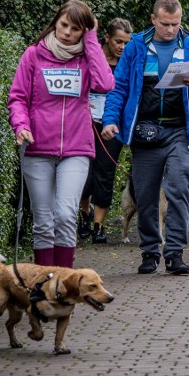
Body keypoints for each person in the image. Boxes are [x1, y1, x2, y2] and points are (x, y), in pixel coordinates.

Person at [101, 0, 189, 276]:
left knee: (180, 189)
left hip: (180, 131)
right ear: (153, 19)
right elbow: (118, 88)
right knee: (145, 195)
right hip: (145, 131)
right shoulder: (135, 48)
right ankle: (150, 252)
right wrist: (109, 120)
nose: (170, 29)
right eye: (165, 24)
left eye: (176, 24)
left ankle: (175, 253)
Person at [8, 0, 114, 267]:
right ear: (56, 21)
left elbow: (105, 83)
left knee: (66, 214)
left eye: (76, 29)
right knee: (43, 220)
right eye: (64, 24)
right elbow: (18, 97)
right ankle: (44, 284)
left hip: (76, 149)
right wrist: (21, 126)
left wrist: (91, 40)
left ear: (84, 31)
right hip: (38, 149)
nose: (67, 32)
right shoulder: (33, 54)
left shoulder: (87, 58)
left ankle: (63, 284)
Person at [77, 17, 133, 244]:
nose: (122, 47)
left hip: (112, 124)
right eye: (118, 41)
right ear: (107, 38)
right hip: (85, 121)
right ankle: (84, 214)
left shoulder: (126, 63)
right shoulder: (90, 56)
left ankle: (99, 226)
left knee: (105, 172)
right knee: (84, 173)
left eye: (126, 43)